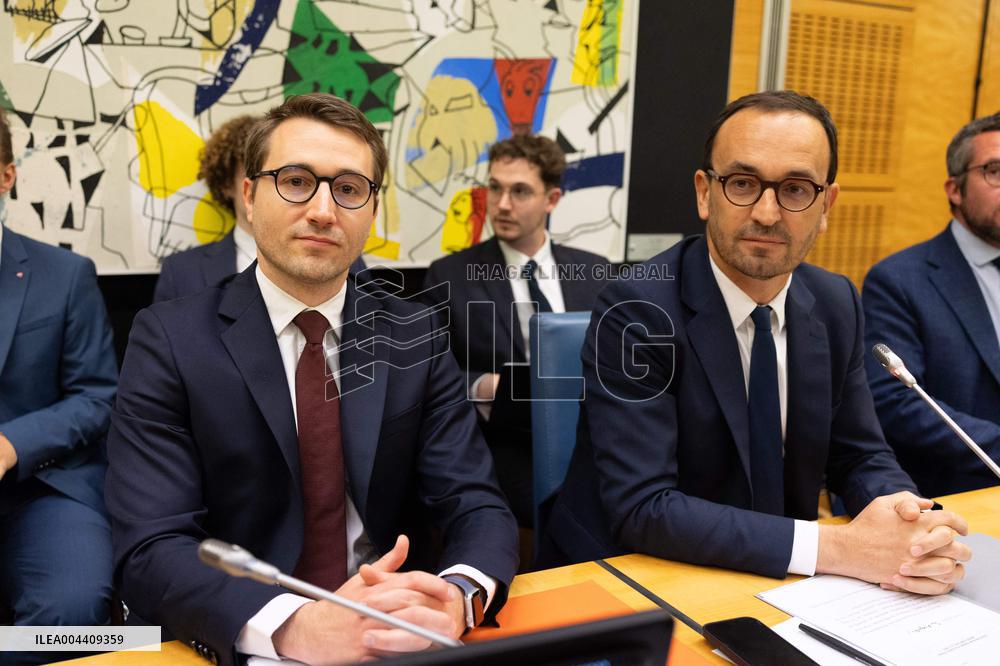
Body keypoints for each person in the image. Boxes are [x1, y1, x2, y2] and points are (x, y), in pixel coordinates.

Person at [107, 93, 518, 666]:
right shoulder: (169, 339)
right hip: (242, 634)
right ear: (248, 196)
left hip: (391, 629)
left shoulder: (416, 333)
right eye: (296, 181)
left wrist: (457, 597)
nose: (324, 210)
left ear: (372, 212)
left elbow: (475, 503)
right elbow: (151, 546)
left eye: (349, 189)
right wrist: (295, 626)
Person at [541, 91, 971, 596]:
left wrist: (908, 523)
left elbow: (859, 455)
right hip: (634, 576)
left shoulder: (836, 302)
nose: (767, 214)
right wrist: (839, 549)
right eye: (742, 183)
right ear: (705, 193)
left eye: (795, 189)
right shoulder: (636, 310)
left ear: (826, 204)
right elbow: (644, 507)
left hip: (783, 575)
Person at [423, 134, 607, 527]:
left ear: (552, 199)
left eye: (520, 191)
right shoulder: (450, 276)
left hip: (593, 441)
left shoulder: (596, 271)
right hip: (502, 451)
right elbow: (421, 379)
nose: (503, 204)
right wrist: (480, 386)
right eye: (495, 188)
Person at [0, 108, 118, 662]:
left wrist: (11, 444)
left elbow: (99, 397)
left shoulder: (66, 275)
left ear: (6, 175)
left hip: (45, 487)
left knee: (75, 616)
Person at [863, 113, 1000, 497]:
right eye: (995, 170)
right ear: (954, 188)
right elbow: (895, 402)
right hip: (953, 495)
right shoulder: (898, 280)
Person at [153, 114, 366, 303]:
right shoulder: (182, 270)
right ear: (230, 184)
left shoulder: (345, 260)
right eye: (252, 170)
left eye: (293, 179)